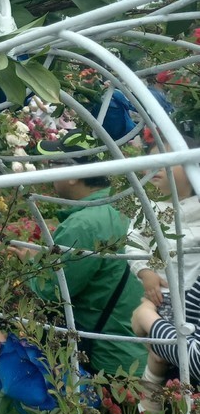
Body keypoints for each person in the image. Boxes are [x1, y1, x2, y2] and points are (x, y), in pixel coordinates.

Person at [29, 131, 147, 376]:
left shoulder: (83, 225)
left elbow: (52, 289)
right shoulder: (129, 206)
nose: (50, 172)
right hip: (143, 350)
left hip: (108, 361)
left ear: (73, 175)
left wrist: (31, 262)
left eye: (53, 163)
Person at [125, 137, 200, 305]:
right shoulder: (146, 209)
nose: (157, 166)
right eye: (152, 160)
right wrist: (145, 272)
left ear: (193, 168)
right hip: (166, 292)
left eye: (168, 159)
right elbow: (134, 243)